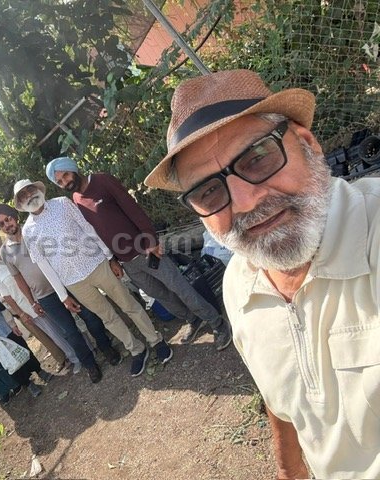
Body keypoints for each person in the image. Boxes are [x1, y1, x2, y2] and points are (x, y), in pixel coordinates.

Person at [144, 68, 380, 479]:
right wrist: (290, 469)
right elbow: (279, 394)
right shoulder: (239, 286)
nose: (246, 202)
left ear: (308, 144)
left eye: (257, 157)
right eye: (208, 191)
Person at [46, 156, 232, 350]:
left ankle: (217, 322)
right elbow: (96, 232)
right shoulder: (76, 200)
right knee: (160, 295)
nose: (65, 182)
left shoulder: (102, 181)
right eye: (59, 182)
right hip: (127, 262)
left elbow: (132, 208)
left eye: (65, 175)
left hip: (145, 249)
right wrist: (113, 260)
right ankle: (192, 319)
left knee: (179, 286)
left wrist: (150, 239)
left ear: (73, 169)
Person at [14, 179, 173, 377]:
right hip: (74, 282)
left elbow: (88, 228)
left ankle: (155, 340)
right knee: (108, 317)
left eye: (30, 190)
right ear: (20, 204)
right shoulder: (28, 230)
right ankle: (136, 349)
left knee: (128, 304)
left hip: (97, 264)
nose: (29, 196)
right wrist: (63, 295)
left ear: (38, 190)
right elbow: (43, 264)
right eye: (23, 196)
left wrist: (109, 257)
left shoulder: (62, 203)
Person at [0, 227, 106, 383]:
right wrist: (24, 310)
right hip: (33, 303)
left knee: (80, 319)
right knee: (62, 332)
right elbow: (7, 294)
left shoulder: (17, 245)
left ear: (0, 238)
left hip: (53, 289)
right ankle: (81, 360)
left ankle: (98, 347)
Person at [0, 249, 70, 372]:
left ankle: (74, 349)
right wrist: (12, 322)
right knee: (41, 335)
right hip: (18, 311)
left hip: (32, 300)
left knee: (56, 325)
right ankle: (61, 358)